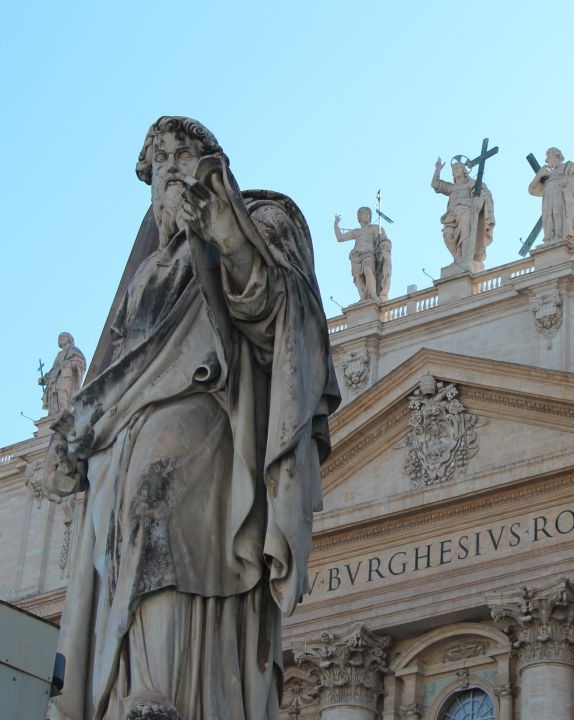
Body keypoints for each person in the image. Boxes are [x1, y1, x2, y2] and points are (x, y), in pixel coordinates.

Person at [45, 116, 340, 720]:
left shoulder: (260, 217)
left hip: (206, 408)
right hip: (123, 433)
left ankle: (158, 688)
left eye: (182, 157)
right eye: (159, 166)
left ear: (212, 163)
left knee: (157, 509)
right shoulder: (145, 272)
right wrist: (74, 430)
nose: (171, 173)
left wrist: (226, 232)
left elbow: (278, 313)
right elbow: (115, 363)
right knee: (124, 543)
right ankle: (133, 686)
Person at [432, 157, 495, 273]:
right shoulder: (452, 187)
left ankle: (466, 260)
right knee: (447, 235)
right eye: (453, 169)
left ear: (463, 170)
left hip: (466, 213)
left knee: (465, 236)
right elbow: (436, 184)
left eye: (457, 168)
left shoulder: (472, 183)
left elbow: (484, 193)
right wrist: (437, 170)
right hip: (451, 217)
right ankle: (458, 259)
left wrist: (480, 201)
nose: (455, 171)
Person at [527, 147, 574, 246]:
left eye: (549, 157)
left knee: (559, 216)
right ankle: (550, 240)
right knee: (549, 219)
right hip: (548, 200)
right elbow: (532, 189)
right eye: (547, 158)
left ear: (557, 156)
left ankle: (561, 238)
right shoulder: (546, 175)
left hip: (561, 197)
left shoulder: (567, 166)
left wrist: (566, 179)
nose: (547, 160)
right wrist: (539, 174)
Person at [333, 207, 391, 301]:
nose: (367, 215)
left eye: (368, 213)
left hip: (369, 254)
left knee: (368, 270)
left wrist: (383, 247)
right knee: (358, 277)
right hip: (356, 256)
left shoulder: (375, 228)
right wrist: (336, 225)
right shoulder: (356, 231)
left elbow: (383, 240)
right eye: (364, 213)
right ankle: (363, 298)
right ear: (359, 217)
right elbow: (340, 238)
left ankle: (373, 295)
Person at [40, 332, 87, 416]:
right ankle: (55, 414)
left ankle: (64, 413)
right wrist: (45, 378)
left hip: (67, 376)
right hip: (56, 379)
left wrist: (68, 364)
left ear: (69, 339)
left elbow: (80, 363)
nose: (60, 338)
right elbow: (54, 369)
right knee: (54, 395)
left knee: (63, 392)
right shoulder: (59, 354)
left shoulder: (74, 350)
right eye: (59, 337)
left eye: (63, 336)